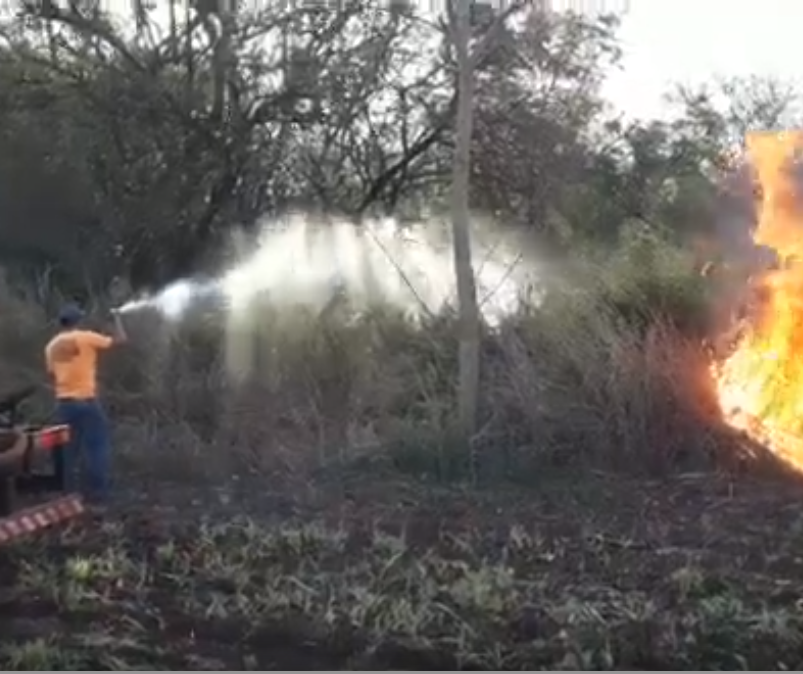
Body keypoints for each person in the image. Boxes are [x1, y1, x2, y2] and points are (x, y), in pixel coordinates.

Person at [44, 304, 127, 506]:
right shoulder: (85, 337)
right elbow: (121, 340)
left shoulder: (51, 346)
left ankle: (68, 495)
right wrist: (116, 318)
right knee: (97, 446)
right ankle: (98, 494)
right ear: (78, 321)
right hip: (86, 401)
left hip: (63, 403)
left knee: (68, 450)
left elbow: (51, 373)